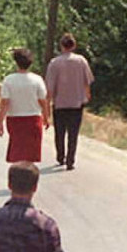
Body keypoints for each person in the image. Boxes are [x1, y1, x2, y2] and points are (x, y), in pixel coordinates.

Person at [45, 33, 94, 170]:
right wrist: (87, 95)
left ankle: (61, 157)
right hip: (76, 103)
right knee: (73, 134)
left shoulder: (54, 63)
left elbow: (50, 86)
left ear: (61, 46)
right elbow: (87, 82)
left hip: (60, 103)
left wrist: (47, 104)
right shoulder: (81, 61)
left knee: (59, 133)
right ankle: (70, 160)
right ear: (74, 45)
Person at [0, 48, 50, 163]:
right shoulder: (37, 80)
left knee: (17, 153)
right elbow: (43, 101)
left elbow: (5, 103)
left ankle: (16, 178)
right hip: (33, 120)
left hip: (14, 120)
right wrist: (46, 117)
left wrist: (0, 122)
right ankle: (29, 179)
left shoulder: (9, 80)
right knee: (30, 156)